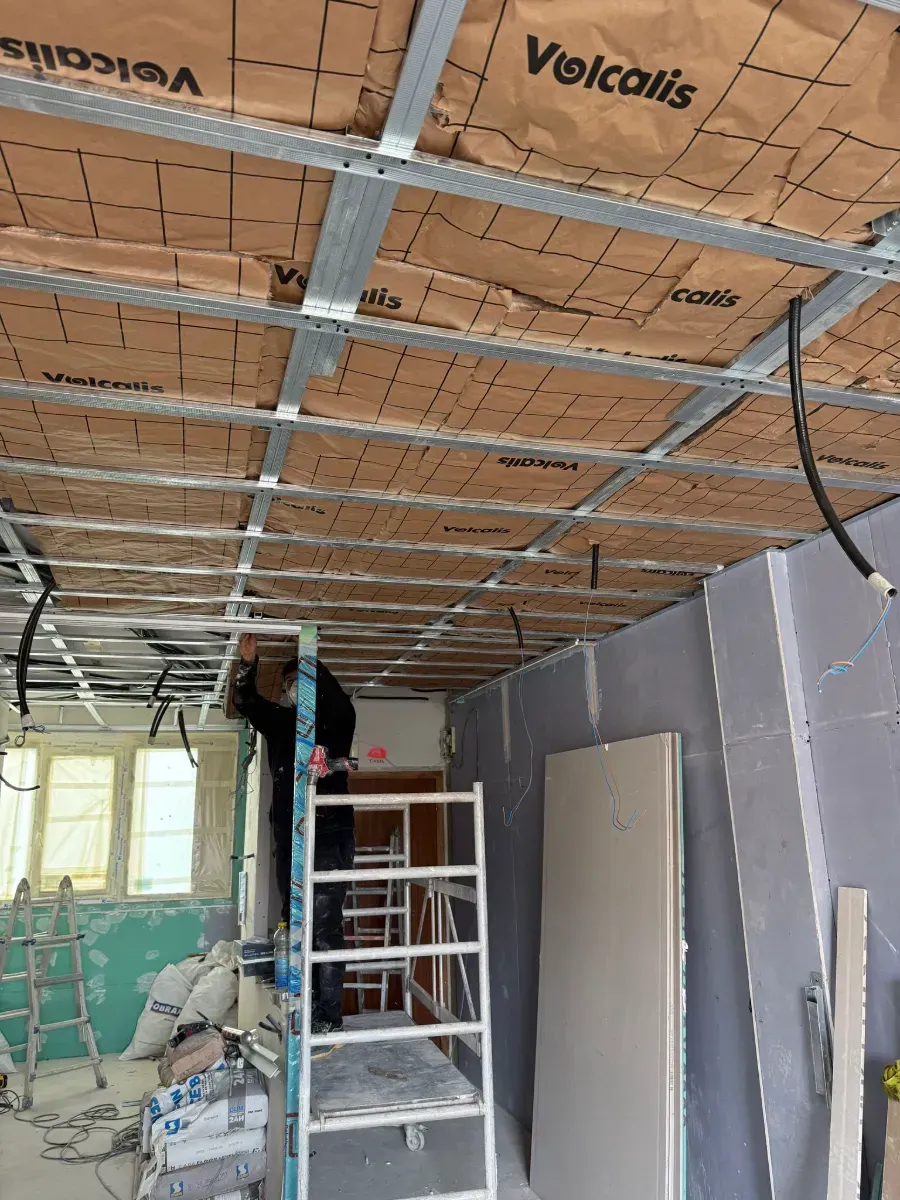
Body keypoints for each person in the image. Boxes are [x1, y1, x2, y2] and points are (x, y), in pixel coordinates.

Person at [232, 632, 356, 1034]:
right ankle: (307, 1000)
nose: (291, 692)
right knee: (293, 919)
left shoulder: (336, 724)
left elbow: (340, 703)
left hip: (329, 835)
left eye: (298, 685)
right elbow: (247, 703)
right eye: (288, 686)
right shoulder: (282, 724)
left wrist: (310, 668)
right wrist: (249, 665)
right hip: (290, 836)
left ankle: (329, 1015)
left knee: (324, 924)